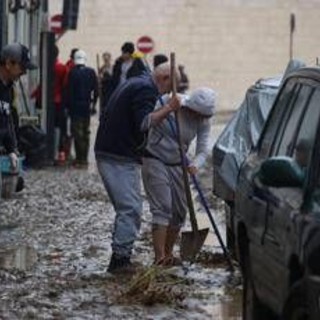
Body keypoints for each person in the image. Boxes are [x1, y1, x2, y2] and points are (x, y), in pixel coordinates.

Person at [95, 62, 180, 274]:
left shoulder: (136, 81)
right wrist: (169, 108)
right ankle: (120, 261)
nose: (167, 93)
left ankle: (121, 256)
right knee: (130, 208)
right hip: (118, 155)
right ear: (164, 78)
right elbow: (143, 122)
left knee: (128, 207)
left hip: (112, 150)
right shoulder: (145, 89)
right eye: (169, 88)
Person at [142, 87, 216, 265]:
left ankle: (168, 253)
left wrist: (195, 164)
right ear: (191, 107)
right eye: (197, 114)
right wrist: (168, 108)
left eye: (204, 116)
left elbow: (203, 148)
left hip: (179, 164)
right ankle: (159, 257)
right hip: (155, 158)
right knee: (163, 207)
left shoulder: (203, 120)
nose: (200, 118)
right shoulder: (169, 100)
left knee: (179, 212)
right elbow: (145, 123)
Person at [0, 42, 37, 171]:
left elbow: (6, 121)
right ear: (9, 64)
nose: (24, 72)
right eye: (22, 67)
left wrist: (11, 150)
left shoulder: (9, 90)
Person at [65, 49, 98, 168]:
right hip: (86, 106)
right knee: (86, 132)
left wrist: (67, 106)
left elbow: (68, 91)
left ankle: (80, 159)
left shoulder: (72, 73)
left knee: (77, 132)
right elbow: (96, 90)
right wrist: (94, 105)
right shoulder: (91, 72)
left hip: (75, 108)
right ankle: (84, 158)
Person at [53, 45, 67, 164]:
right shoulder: (62, 68)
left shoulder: (50, 67)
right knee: (60, 127)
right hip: (59, 101)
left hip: (50, 101)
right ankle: (60, 152)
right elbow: (65, 85)